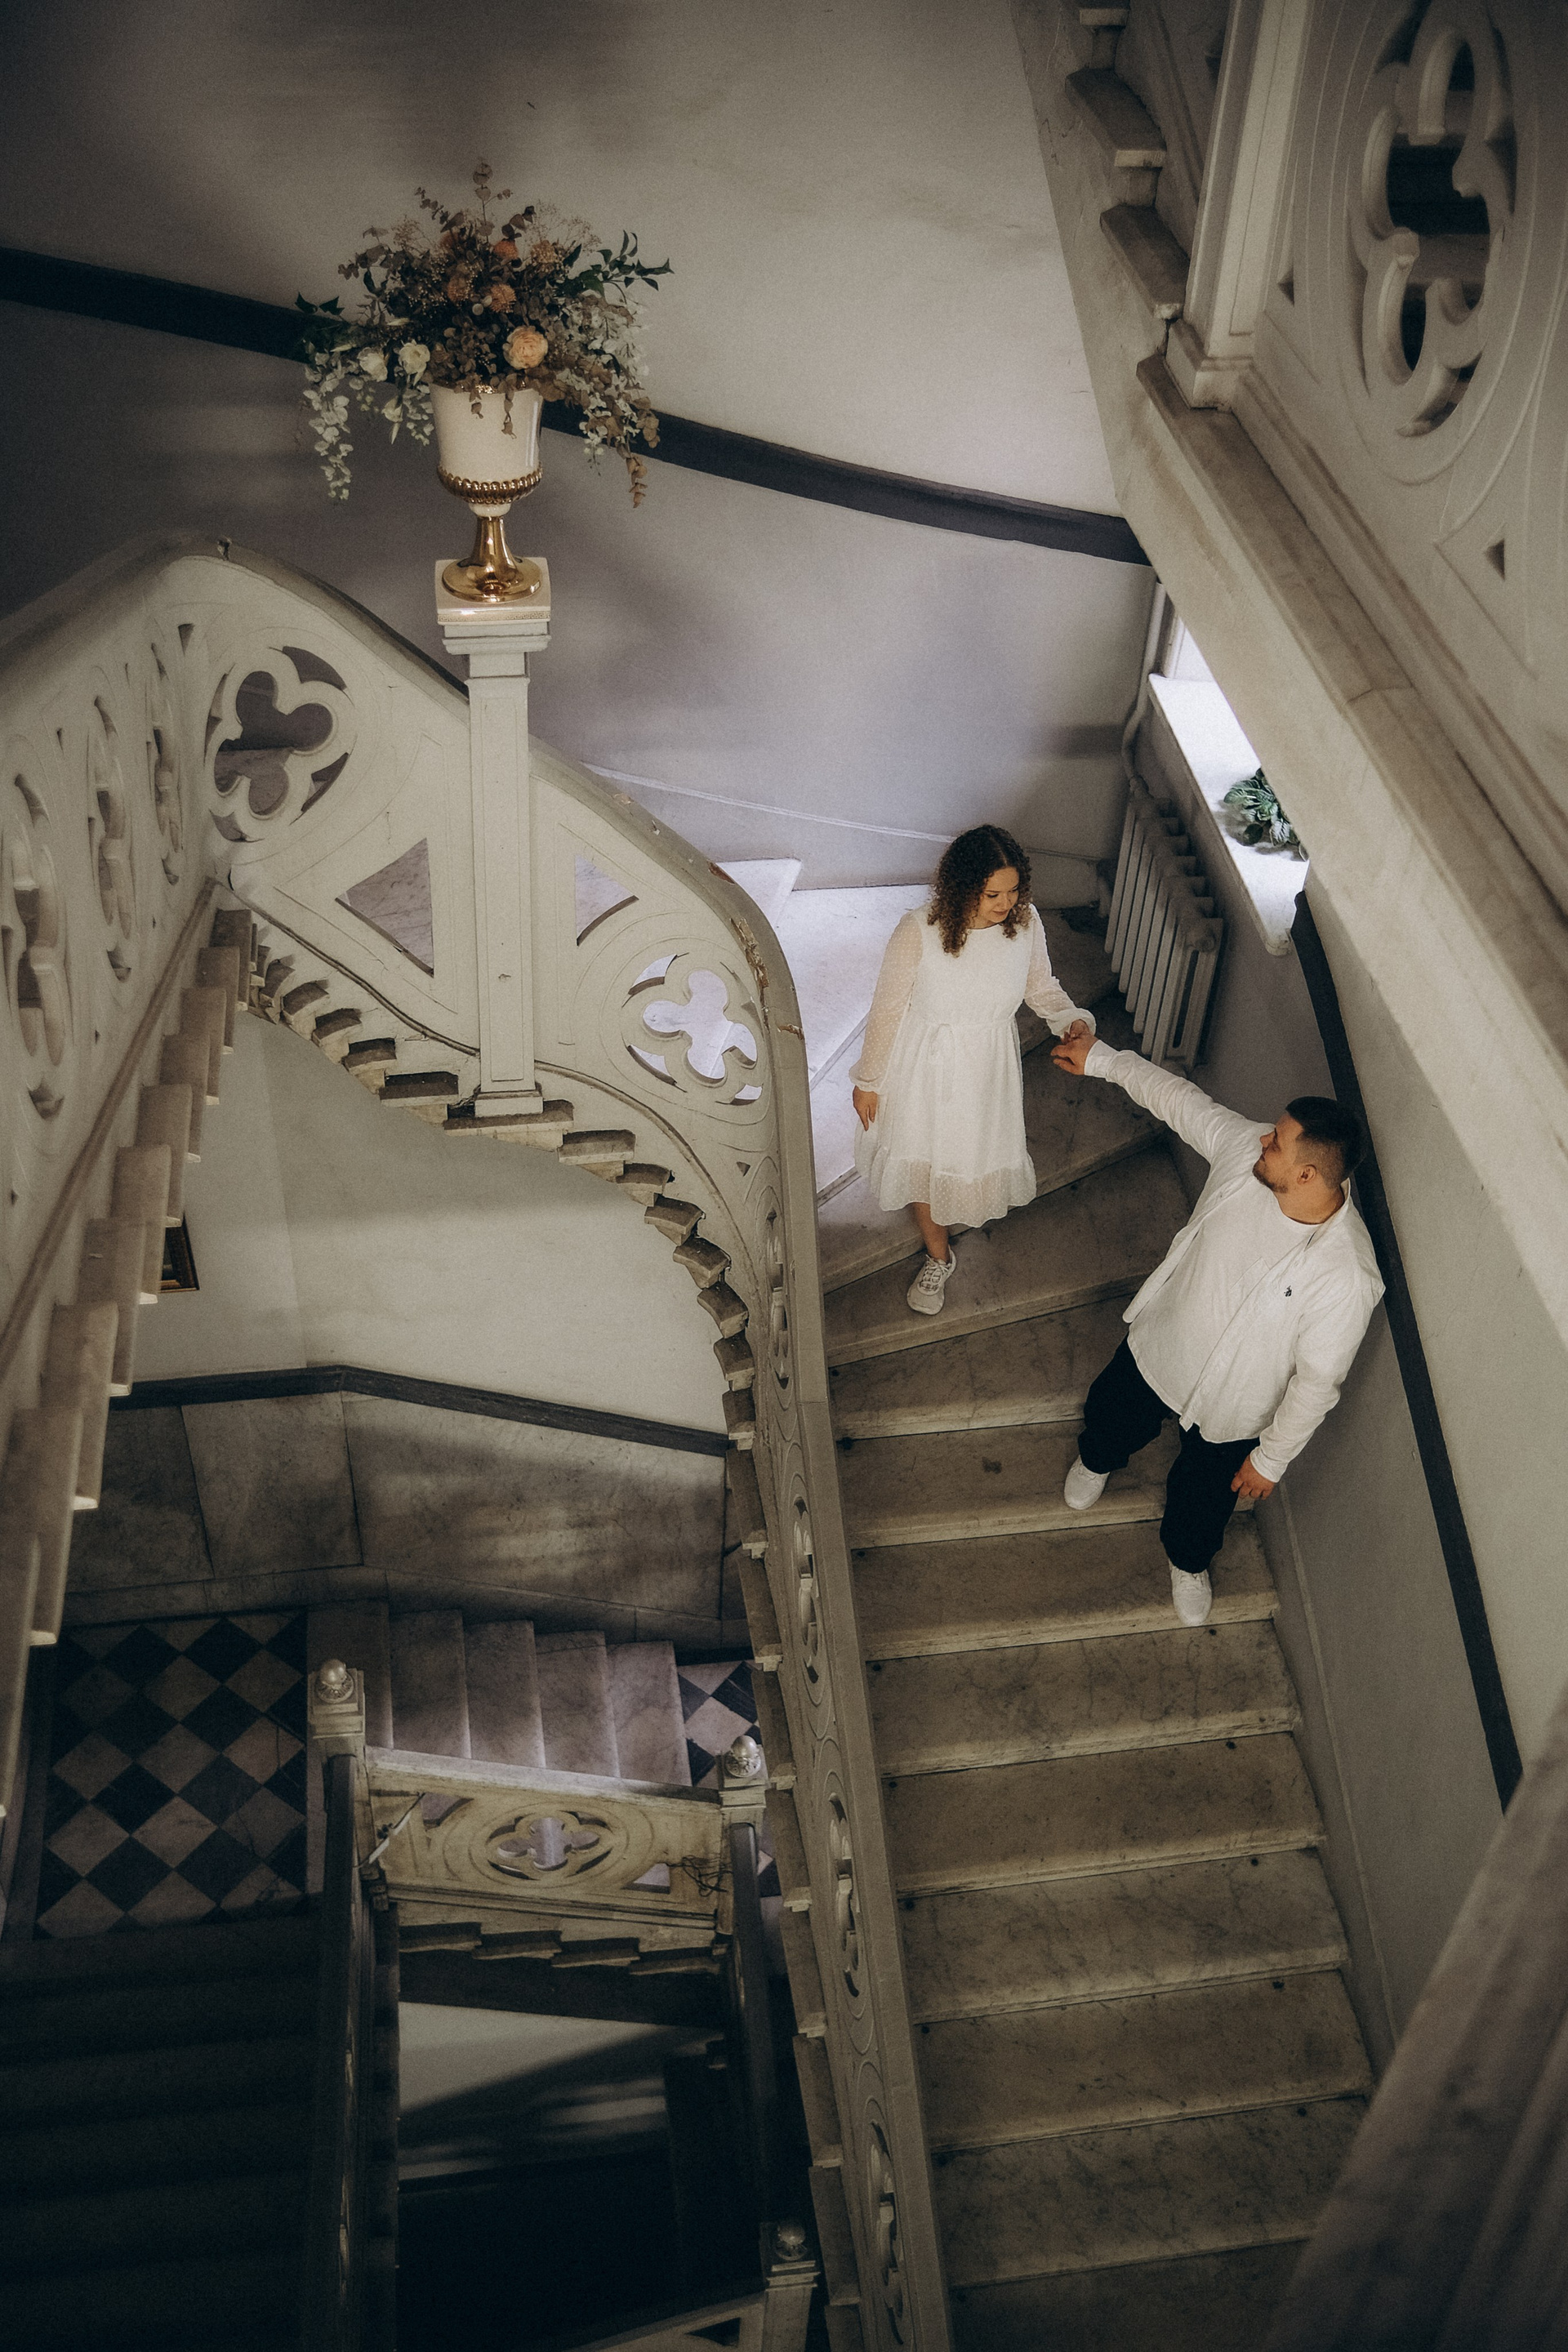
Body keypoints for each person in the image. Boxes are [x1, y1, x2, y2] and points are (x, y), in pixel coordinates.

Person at [1049, 1027, 1383, 1625]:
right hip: (1162, 1349)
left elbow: (1317, 1383)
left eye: (1277, 1143)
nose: (1262, 1140)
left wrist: (1271, 1460)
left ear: (1308, 1175)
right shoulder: (1245, 1155)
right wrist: (1100, 1058)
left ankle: (1187, 1560)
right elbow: (1181, 1101)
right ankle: (1096, 1460)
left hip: (1235, 1411)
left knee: (1203, 1504)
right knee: (1110, 1416)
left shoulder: (1347, 1275)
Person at [851, 825, 1097, 1314]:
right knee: (922, 1157)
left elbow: (1040, 986)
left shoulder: (1025, 923)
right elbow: (887, 1010)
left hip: (987, 1066)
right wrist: (869, 1081)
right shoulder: (917, 930)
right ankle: (938, 1256)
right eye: (992, 894)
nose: (1006, 903)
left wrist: (1070, 1019)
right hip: (926, 1064)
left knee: (966, 1151)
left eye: (1013, 891)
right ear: (963, 887)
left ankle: (945, 1229)